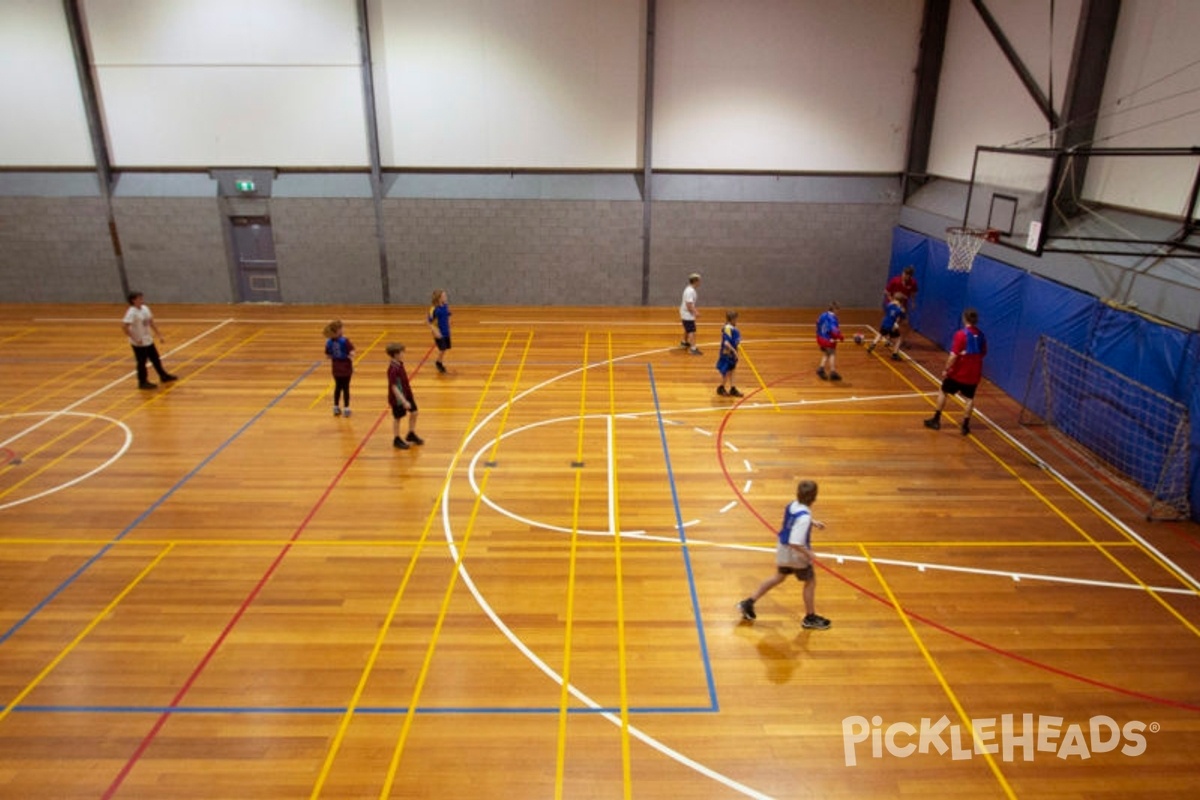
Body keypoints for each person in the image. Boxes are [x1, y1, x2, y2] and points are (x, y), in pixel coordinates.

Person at [736, 479, 831, 630]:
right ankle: (810, 617)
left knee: (778, 577)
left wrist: (813, 522)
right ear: (814, 496)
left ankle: (749, 602)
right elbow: (795, 541)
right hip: (796, 555)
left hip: (782, 549)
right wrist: (809, 554)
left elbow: (796, 519)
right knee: (810, 581)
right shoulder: (804, 518)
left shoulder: (793, 505)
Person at [924, 308, 988, 436]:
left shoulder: (961, 334)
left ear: (964, 319)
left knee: (943, 391)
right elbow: (983, 353)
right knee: (969, 398)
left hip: (959, 372)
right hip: (974, 373)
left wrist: (947, 369)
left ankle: (936, 419)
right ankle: (965, 426)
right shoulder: (981, 335)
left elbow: (953, 356)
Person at [122, 291, 178, 390]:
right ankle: (142, 382)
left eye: (141, 298)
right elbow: (124, 327)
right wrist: (135, 338)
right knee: (141, 362)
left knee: (155, 358)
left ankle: (163, 376)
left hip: (148, 339)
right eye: (139, 298)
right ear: (133, 300)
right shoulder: (131, 312)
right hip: (139, 342)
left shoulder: (145, 308)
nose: (141, 300)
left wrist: (159, 334)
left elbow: (151, 322)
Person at [386, 343, 424, 449]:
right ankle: (396, 439)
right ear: (396, 354)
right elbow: (394, 387)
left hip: (407, 394)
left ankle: (411, 434)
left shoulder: (399, 364)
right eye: (402, 352)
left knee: (414, 412)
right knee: (398, 418)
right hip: (398, 399)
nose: (404, 354)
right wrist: (403, 401)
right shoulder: (393, 369)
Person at [323, 320, 356, 417]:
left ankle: (336, 407)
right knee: (346, 388)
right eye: (341, 328)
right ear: (338, 330)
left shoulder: (329, 342)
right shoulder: (344, 340)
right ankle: (346, 408)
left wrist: (334, 355)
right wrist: (350, 356)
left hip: (336, 368)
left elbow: (328, 355)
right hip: (345, 367)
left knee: (337, 387)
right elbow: (352, 352)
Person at [867, 293, 906, 360]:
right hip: (892, 325)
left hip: (885, 323)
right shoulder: (900, 309)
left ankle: (873, 343)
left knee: (880, 334)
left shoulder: (889, 305)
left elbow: (887, 310)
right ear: (901, 301)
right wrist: (902, 311)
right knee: (898, 339)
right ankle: (895, 354)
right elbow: (901, 317)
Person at [716, 310, 742, 397]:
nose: (737, 321)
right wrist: (734, 352)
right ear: (732, 319)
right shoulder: (728, 328)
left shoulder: (732, 328)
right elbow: (726, 343)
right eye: (736, 319)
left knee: (733, 370)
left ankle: (733, 388)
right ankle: (721, 387)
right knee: (727, 371)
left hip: (731, 354)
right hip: (727, 354)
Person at [815, 302, 844, 381]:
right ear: (834, 310)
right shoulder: (833, 319)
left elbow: (817, 323)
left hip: (820, 337)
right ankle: (832, 372)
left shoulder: (823, 315)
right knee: (832, 354)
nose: (838, 312)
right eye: (837, 310)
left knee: (827, 353)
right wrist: (840, 337)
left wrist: (819, 334)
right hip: (828, 339)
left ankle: (821, 368)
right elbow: (834, 331)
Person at [427, 289, 452, 373]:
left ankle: (439, 362)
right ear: (439, 298)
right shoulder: (434, 309)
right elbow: (429, 322)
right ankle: (438, 363)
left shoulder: (445, 305)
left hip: (446, 331)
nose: (446, 297)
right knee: (442, 348)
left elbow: (448, 314)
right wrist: (435, 332)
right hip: (439, 332)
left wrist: (449, 323)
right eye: (444, 296)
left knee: (445, 348)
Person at [679, 273, 702, 355]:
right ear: (695, 281)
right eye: (699, 280)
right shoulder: (690, 291)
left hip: (685, 313)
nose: (700, 282)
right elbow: (689, 305)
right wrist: (696, 312)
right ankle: (693, 349)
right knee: (691, 330)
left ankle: (684, 342)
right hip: (687, 314)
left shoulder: (689, 289)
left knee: (687, 328)